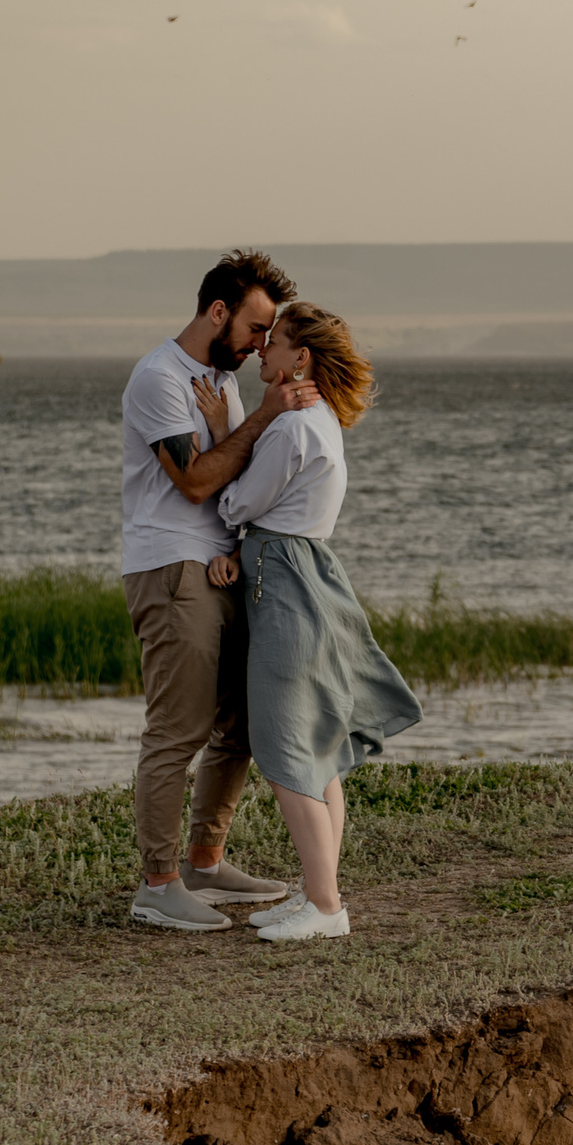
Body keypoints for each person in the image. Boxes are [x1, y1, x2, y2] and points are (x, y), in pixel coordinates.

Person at [119, 248, 322, 933]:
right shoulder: (159, 379)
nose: (264, 344)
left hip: (219, 565)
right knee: (178, 730)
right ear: (217, 312)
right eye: (257, 329)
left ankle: (207, 861)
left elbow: (235, 479)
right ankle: (157, 884)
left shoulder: (219, 383)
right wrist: (262, 417)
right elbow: (199, 481)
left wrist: (244, 424)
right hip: (172, 568)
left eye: (269, 335)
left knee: (240, 725)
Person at [208, 303, 422, 942]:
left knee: (282, 747)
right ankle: (316, 892)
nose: (261, 352)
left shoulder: (292, 428)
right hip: (306, 573)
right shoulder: (321, 420)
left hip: (284, 576)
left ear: (299, 358)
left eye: (273, 343)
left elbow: (237, 501)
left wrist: (225, 436)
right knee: (318, 749)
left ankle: (326, 906)